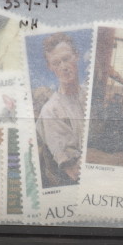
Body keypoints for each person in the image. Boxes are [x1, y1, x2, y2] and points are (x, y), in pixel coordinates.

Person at [34, 32, 86, 185]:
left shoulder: (88, 94)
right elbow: (74, 171)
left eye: (66, 59)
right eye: (56, 63)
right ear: (50, 67)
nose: (63, 67)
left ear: (76, 56)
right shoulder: (51, 111)